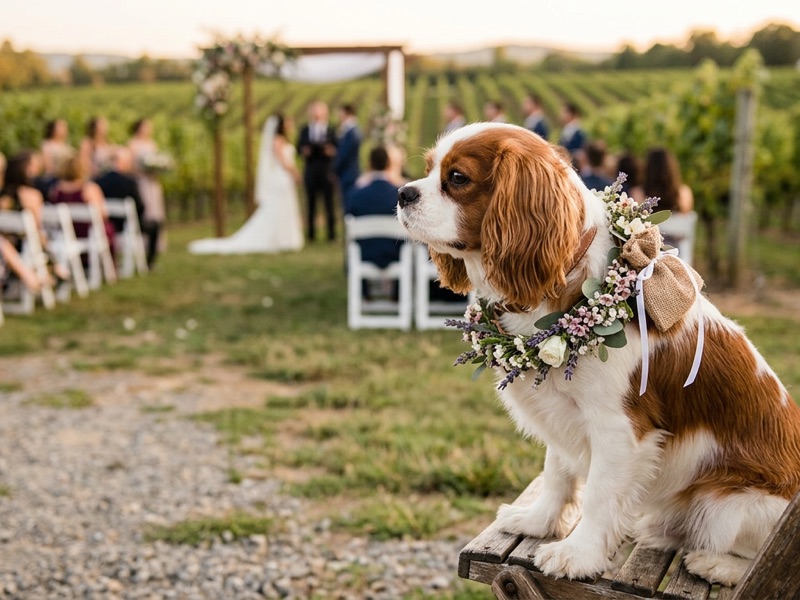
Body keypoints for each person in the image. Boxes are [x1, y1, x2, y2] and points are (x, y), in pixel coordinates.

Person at [189, 114, 304, 255]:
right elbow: (283, 162)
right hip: (281, 178)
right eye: (287, 121)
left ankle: (286, 238)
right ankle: (280, 238)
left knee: (284, 208)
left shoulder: (282, 140)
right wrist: (295, 173)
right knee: (278, 209)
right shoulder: (277, 141)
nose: (290, 124)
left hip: (282, 179)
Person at [345, 146, 404, 299]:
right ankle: (397, 295)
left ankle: (365, 294)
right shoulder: (399, 194)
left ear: (369, 165)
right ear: (389, 164)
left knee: (356, 242)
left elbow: (349, 217)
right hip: (396, 254)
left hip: (365, 254)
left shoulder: (356, 194)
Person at [95, 146, 161, 269]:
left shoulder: (99, 180)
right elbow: (140, 206)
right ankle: (149, 263)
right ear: (122, 162)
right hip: (126, 224)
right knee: (155, 225)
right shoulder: (130, 182)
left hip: (107, 224)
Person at [49, 151, 115, 252]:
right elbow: (103, 214)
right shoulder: (89, 189)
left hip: (65, 235)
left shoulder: (56, 190)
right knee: (108, 229)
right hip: (87, 234)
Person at [128, 118, 168, 259]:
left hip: (153, 182)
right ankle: (144, 243)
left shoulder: (152, 143)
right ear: (139, 128)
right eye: (146, 126)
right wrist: (143, 169)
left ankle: (157, 243)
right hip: (141, 182)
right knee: (146, 211)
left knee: (156, 211)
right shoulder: (132, 144)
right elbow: (130, 165)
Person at [297, 101, 338, 242]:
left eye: (319, 111)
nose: (316, 114)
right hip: (311, 170)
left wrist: (330, 151)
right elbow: (299, 147)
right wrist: (305, 150)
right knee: (311, 203)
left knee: (329, 203)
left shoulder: (331, 130)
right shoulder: (304, 130)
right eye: (314, 111)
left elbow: (337, 149)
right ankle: (311, 235)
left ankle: (331, 234)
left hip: (327, 170)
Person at [332, 104, 362, 204]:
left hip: (348, 173)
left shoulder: (351, 132)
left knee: (348, 201)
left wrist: (335, 170)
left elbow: (344, 154)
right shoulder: (352, 130)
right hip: (349, 172)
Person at [558, 102, 587, 168]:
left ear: (570, 114)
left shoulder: (579, 131)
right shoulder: (566, 129)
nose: (561, 115)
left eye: (564, 112)